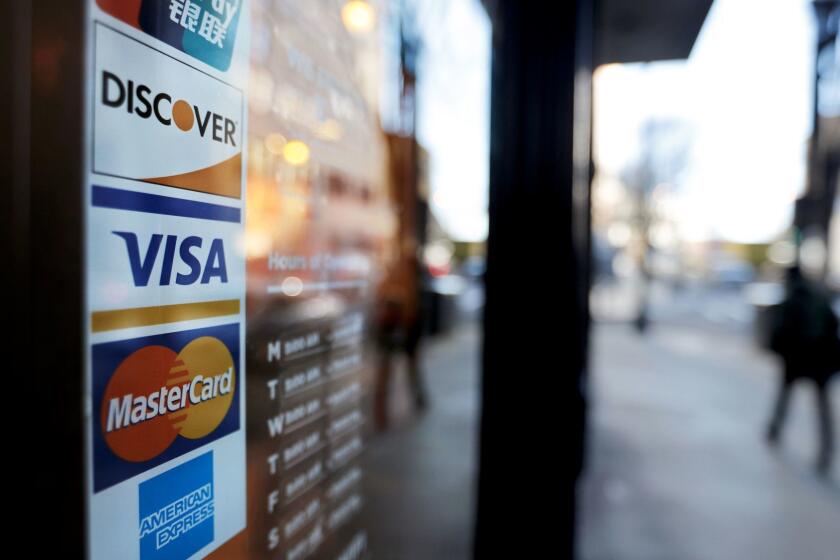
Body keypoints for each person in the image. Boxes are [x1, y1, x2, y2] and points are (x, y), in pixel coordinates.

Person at [767, 265, 837, 474]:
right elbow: (833, 324)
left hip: (797, 360)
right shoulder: (818, 295)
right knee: (823, 407)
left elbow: (779, 333)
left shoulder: (791, 300)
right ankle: (827, 448)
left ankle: (775, 430)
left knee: (785, 397)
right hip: (820, 361)